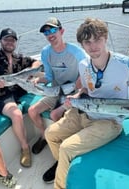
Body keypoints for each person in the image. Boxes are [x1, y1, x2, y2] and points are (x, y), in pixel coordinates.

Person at [42, 18, 129, 189]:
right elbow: (85, 88)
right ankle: (61, 164)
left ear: (105, 38)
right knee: (50, 134)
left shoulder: (126, 64)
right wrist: (76, 96)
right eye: (87, 42)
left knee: (66, 148)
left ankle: (60, 185)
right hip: (84, 112)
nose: (93, 46)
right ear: (82, 45)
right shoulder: (83, 65)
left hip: (109, 121)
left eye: (97, 39)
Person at [0, 28, 41, 168]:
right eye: (6, 39)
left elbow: (36, 62)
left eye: (12, 39)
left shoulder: (19, 58)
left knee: (42, 80)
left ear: (15, 42)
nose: (9, 42)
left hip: (16, 92)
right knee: (16, 114)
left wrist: (29, 72)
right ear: (0, 41)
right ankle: (25, 148)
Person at [28, 17, 87, 155]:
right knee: (32, 111)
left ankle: (64, 147)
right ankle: (44, 137)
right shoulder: (45, 52)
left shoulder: (76, 52)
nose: (50, 35)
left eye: (53, 30)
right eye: (46, 33)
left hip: (73, 92)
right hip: (55, 91)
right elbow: (48, 76)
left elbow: (86, 73)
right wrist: (38, 80)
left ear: (62, 31)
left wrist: (77, 85)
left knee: (55, 115)